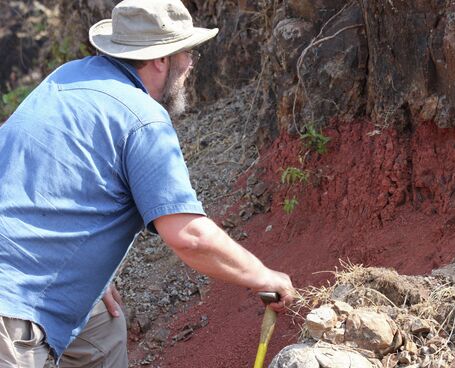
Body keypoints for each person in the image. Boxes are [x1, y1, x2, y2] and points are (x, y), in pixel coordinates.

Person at [0, 1, 295, 367]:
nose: (189, 65)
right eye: (187, 53)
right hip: (12, 311)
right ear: (161, 60)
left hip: (21, 274)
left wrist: (85, 274)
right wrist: (264, 276)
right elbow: (189, 236)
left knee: (102, 328)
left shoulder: (66, 78)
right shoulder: (144, 120)